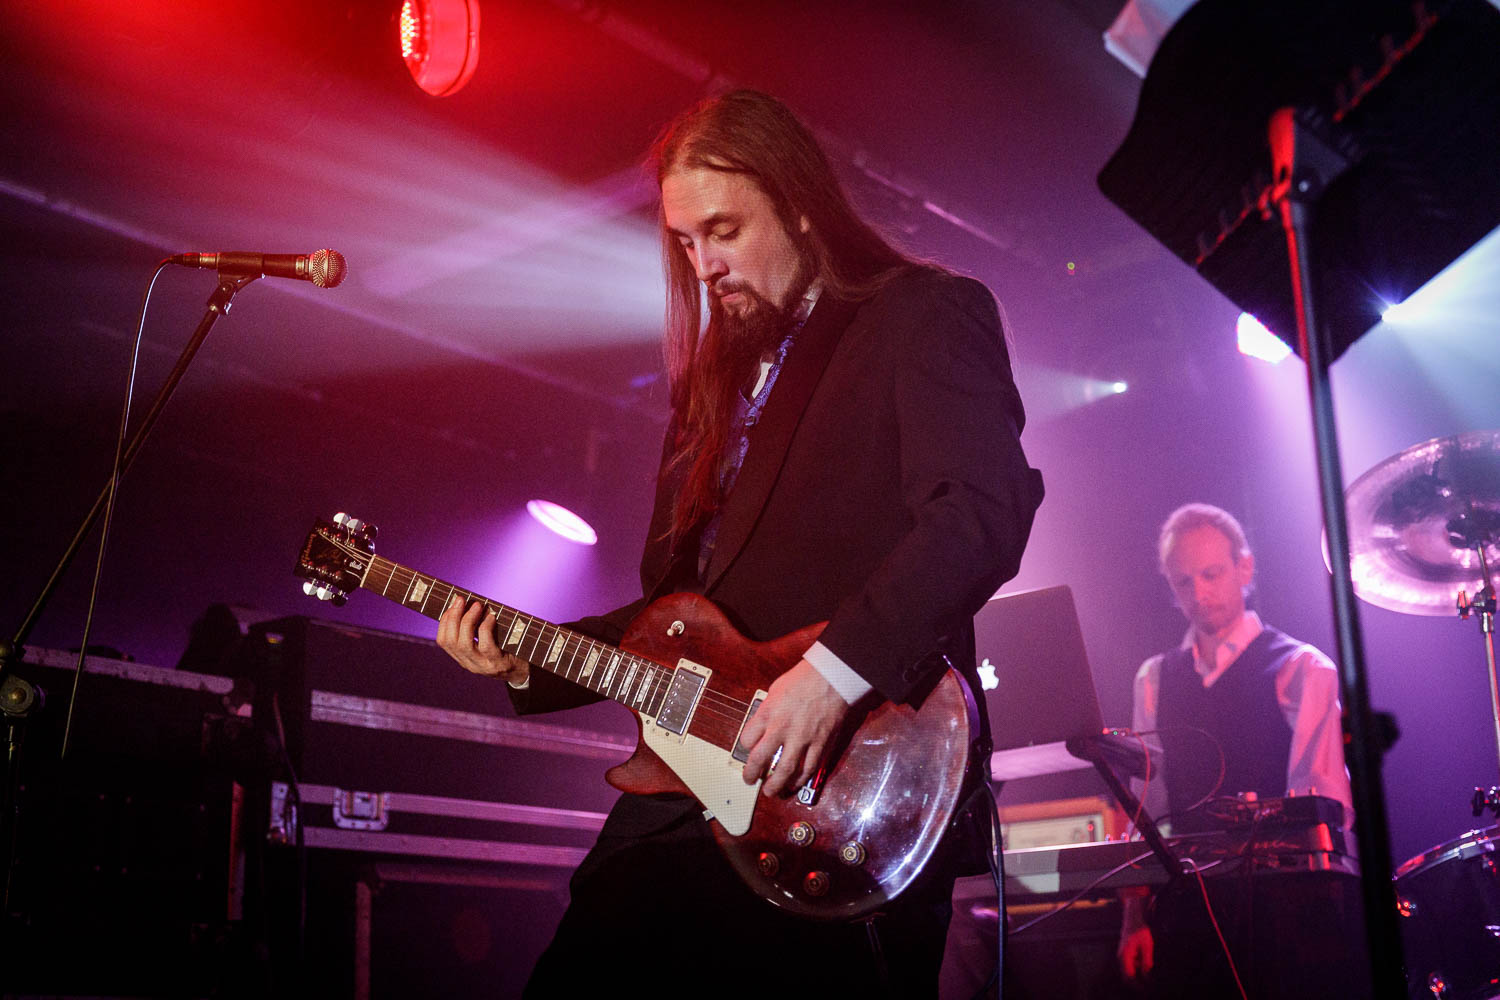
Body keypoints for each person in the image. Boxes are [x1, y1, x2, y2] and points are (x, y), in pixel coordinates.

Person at [435, 89, 1043, 995]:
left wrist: (831, 678)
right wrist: (521, 657)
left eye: (722, 230)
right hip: (682, 809)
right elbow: (670, 618)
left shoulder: (920, 313)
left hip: (838, 797)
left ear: (800, 204)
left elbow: (980, 511)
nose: (703, 263)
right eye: (684, 241)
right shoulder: (705, 390)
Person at [1117, 502, 1357, 996]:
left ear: (1244, 568)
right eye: (1184, 582)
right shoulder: (1153, 679)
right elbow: (1143, 811)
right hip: (1188, 917)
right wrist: (1133, 917)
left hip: (1283, 918)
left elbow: (1324, 812)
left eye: (1212, 574)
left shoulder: (1303, 668)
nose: (1200, 594)